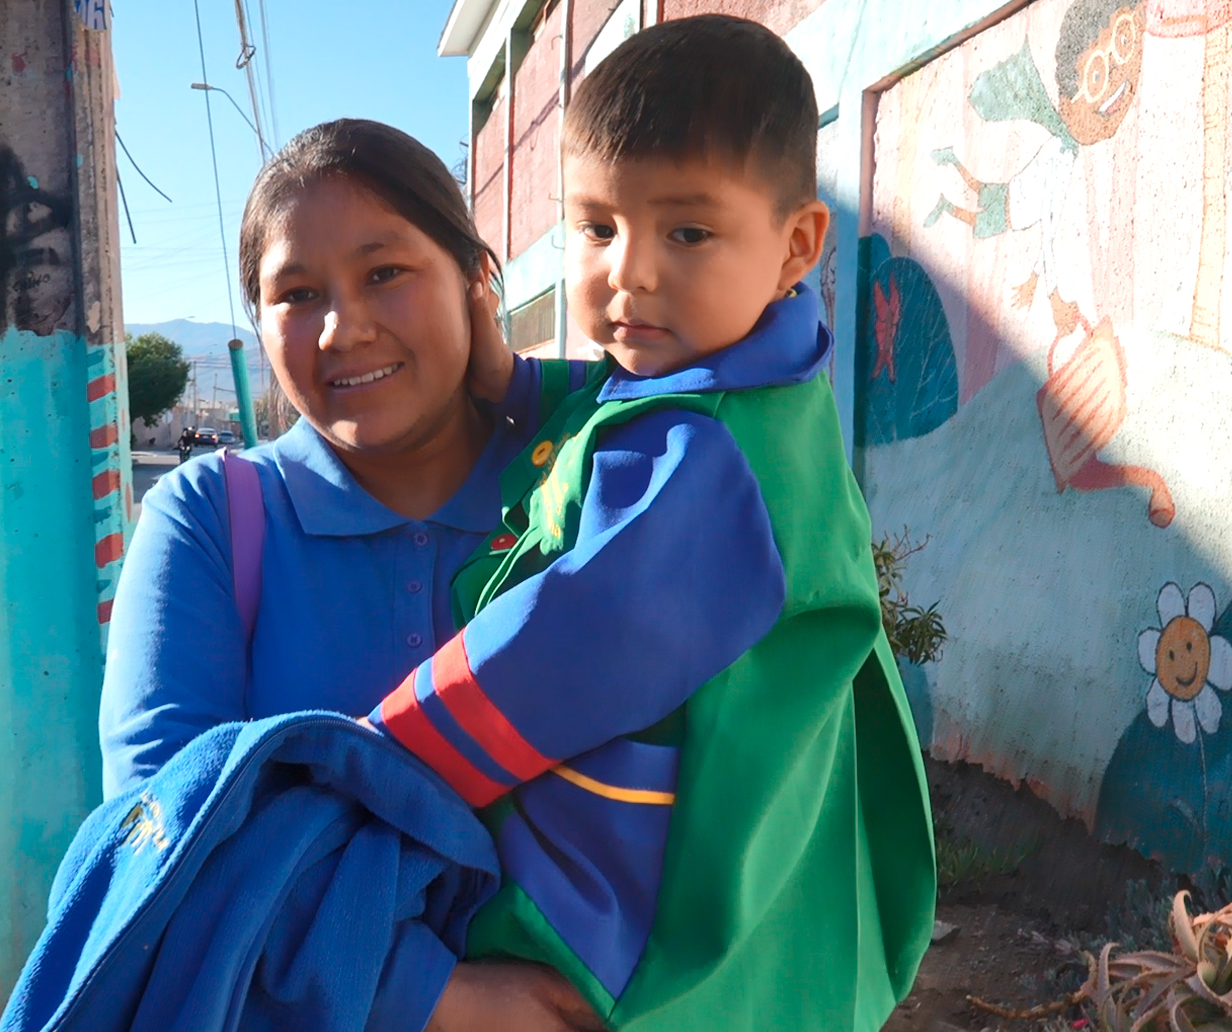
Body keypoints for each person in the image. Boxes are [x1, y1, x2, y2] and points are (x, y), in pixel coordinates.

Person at [359, 16, 935, 1030]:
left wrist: (383, 755)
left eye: (688, 232)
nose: (629, 272)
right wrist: (503, 376)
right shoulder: (758, 390)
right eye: (595, 227)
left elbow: (574, 642)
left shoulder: (701, 448)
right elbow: (609, 405)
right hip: (775, 813)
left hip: (655, 873)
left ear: (796, 243)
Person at [100, 119, 597, 1030]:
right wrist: (447, 998)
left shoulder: (595, 487)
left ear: (476, 280)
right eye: (296, 292)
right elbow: (163, 828)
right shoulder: (210, 519)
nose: (343, 327)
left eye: (385, 273)